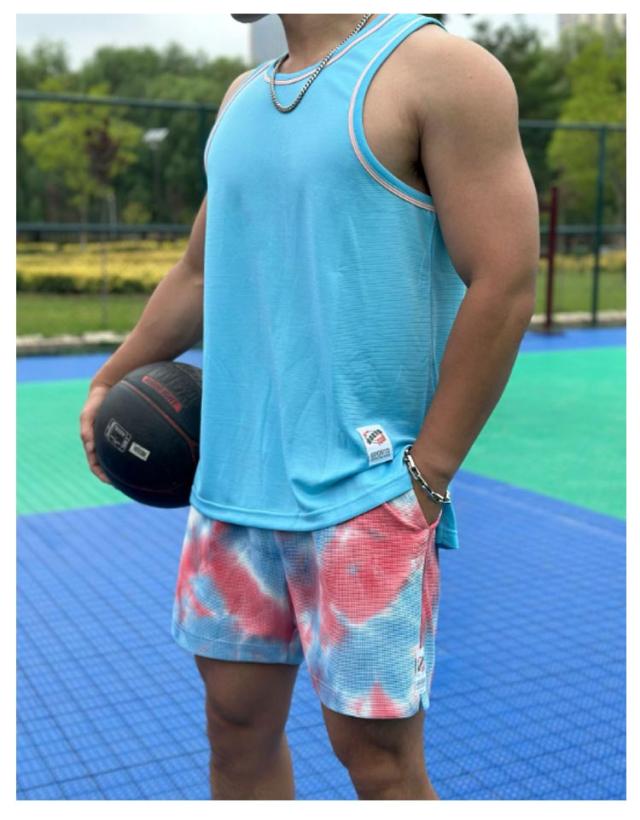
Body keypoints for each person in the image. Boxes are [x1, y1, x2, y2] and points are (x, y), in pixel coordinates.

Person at [80, 13, 539, 800]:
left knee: (380, 764)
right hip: (229, 492)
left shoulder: (443, 72)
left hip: (364, 496)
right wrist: (109, 379)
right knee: (234, 730)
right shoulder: (242, 97)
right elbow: (198, 272)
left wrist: (427, 475)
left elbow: (505, 279)